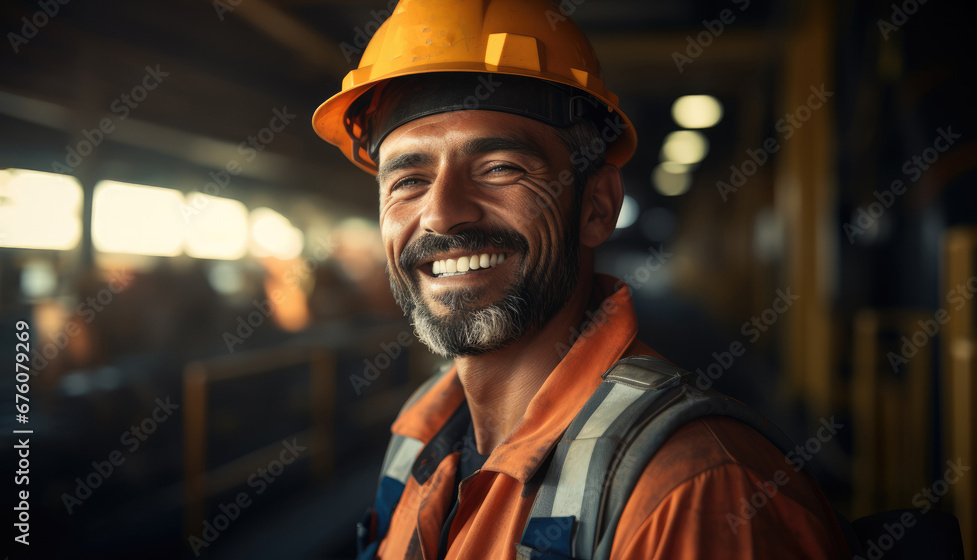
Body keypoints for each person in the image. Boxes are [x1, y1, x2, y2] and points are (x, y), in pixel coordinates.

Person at [312, 1, 850, 558]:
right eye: (408, 180)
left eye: (500, 168)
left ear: (597, 207)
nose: (442, 214)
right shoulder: (417, 436)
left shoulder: (696, 492)